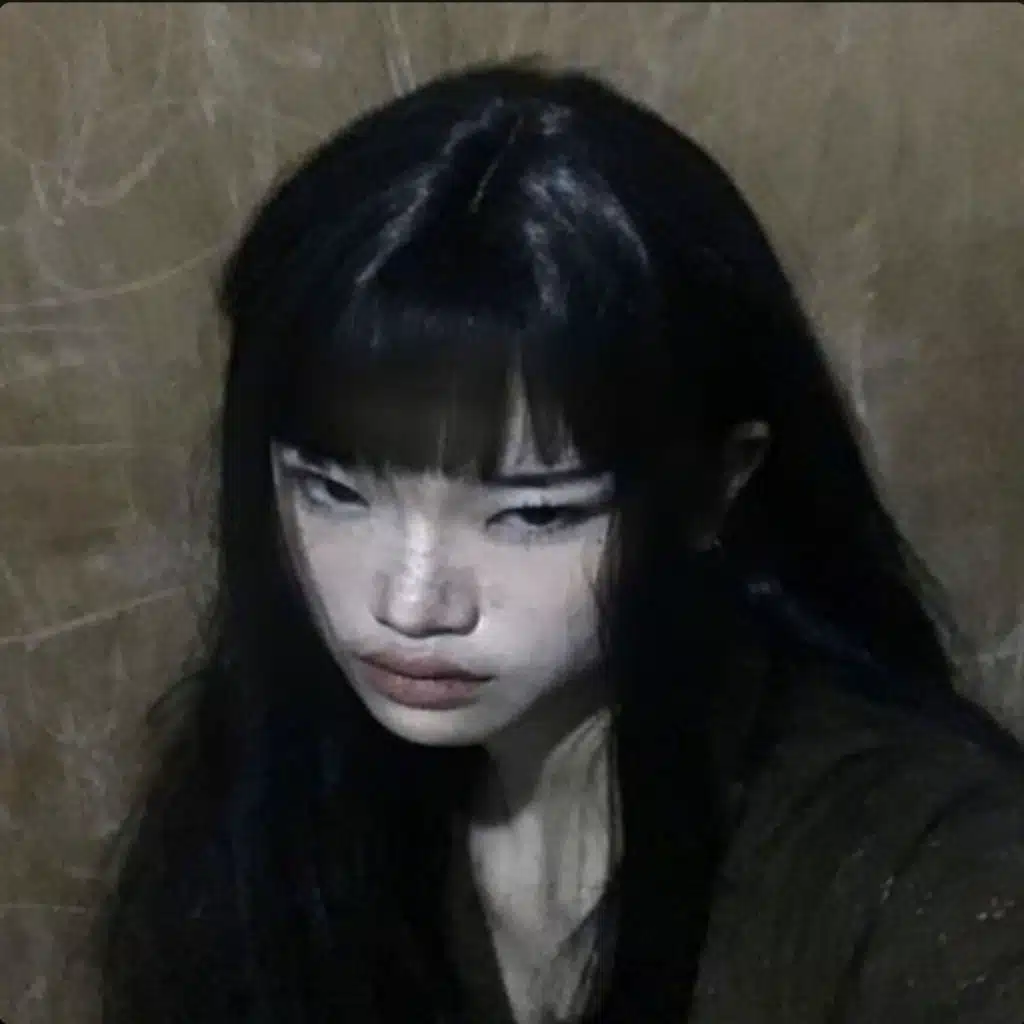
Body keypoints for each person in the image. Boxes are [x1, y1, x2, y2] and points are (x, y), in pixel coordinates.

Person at [93, 62, 1024, 1024]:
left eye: (533, 514)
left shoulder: (917, 859)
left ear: (713, 488)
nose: (409, 604)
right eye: (334, 491)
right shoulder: (269, 789)